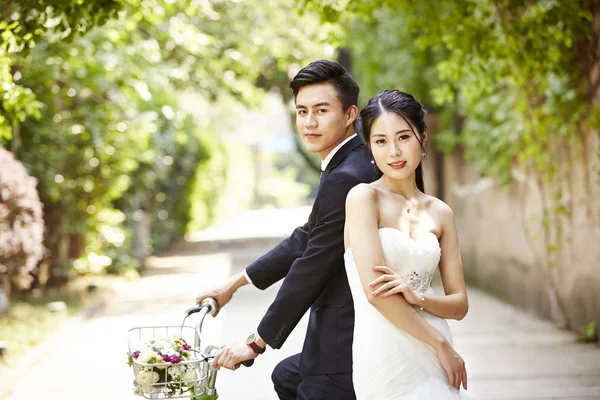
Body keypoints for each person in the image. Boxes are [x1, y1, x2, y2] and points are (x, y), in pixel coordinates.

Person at [195, 59, 380, 399]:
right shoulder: (349, 162)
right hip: (343, 328)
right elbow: (307, 235)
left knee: (302, 383)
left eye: (321, 111)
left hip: (347, 335)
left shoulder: (347, 176)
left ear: (350, 114)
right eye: (302, 111)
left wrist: (256, 342)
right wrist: (235, 283)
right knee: (286, 377)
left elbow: (314, 264)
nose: (309, 122)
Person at [344, 89, 470, 398]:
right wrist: (438, 344)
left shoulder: (441, 213)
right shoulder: (363, 198)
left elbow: (460, 304)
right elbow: (376, 294)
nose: (394, 152)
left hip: (436, 352)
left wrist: (419, 297)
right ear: (370, 148)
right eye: (381, 141)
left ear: (423, 138)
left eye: (403, 137)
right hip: (386, 355)